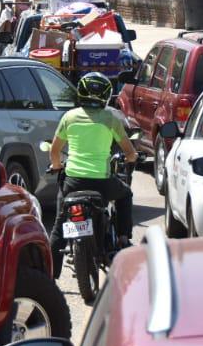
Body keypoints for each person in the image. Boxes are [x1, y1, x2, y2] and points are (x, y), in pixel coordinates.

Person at [48, 72, 137, 276]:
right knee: (125, 195)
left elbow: (54, 151)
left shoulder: (69, 117)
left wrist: (57, 166)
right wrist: (131, 160)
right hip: (102, 182)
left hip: (73, 182)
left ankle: (50, 277)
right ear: (106, 96)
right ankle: (123, 238)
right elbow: (129, 152)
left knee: (58, 227)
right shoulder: (110, 118)